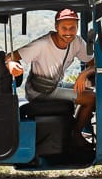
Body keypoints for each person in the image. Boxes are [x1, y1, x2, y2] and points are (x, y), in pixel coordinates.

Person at [5, 8, 96, 147]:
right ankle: (76, 135)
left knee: (93, 92)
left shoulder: (77, 42)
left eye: (72, 28)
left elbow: (93, 63)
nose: (68, 32)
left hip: (55, 85)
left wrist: (84, 74)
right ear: (56, 27)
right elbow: (10, 57)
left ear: (77, 27)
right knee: (91, 98)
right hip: (39, 91)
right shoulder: (42, 45)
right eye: (64, 28)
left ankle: (73, 130)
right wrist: (11, 64)